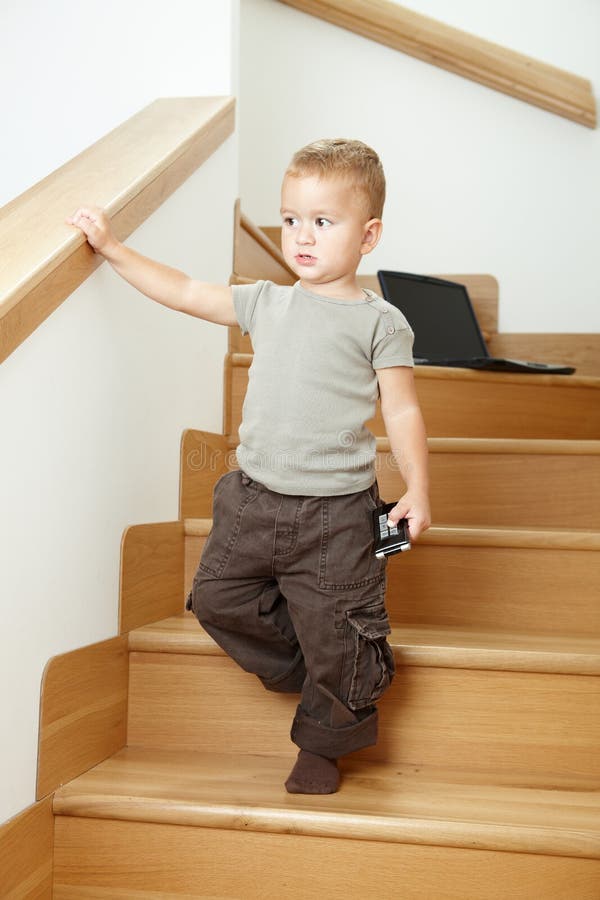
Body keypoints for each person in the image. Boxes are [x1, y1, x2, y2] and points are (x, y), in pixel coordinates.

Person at [68, 138, 431, 795]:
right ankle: (322, 668)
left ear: (368, 234)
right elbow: (181, 289)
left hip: (338, 516)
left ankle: (325, 736)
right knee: (215, 598)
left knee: (339, 630)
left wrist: (419, 491)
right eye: (291, 219)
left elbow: (402, 413)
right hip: (253, 499)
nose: (302, 236)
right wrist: (114, 249)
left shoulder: (381, 322)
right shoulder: (267, 302)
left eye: (323, 221)